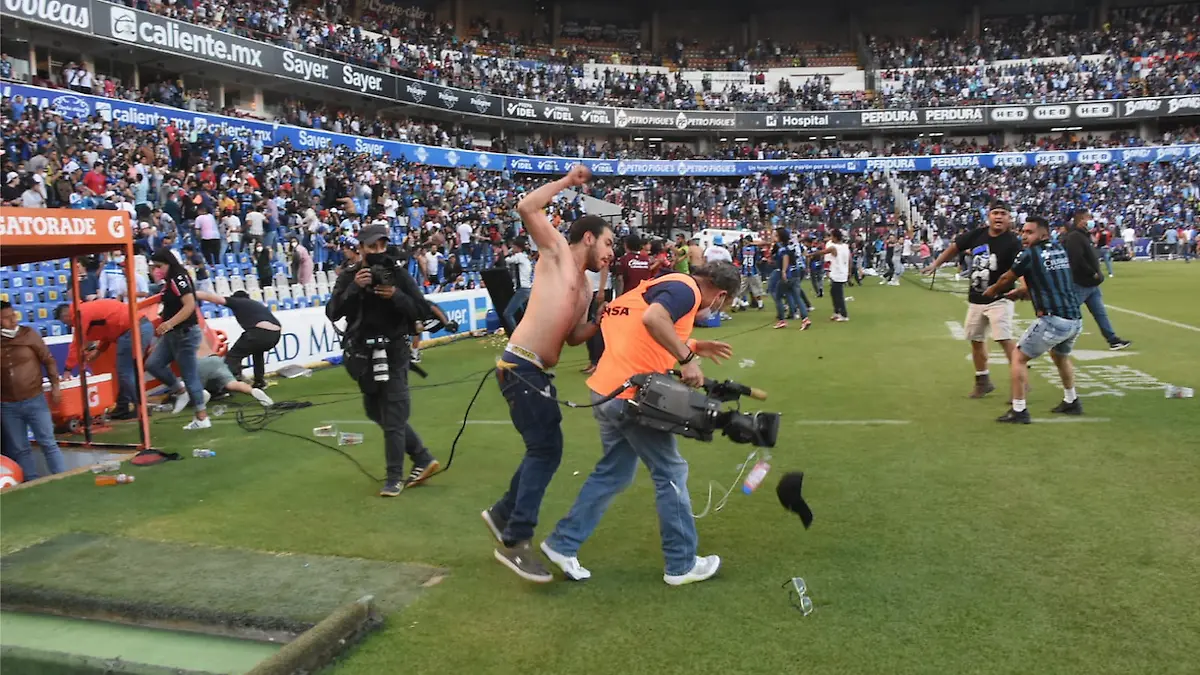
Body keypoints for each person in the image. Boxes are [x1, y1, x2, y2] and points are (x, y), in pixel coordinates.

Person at [540, 262, 740, 585]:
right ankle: (681, 564)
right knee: (671, 472)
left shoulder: (659, 285)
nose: (715, 310)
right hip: (632, 397)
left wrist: (692, 345)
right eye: (723, 302)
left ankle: (562, 544)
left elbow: (636, 328)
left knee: (614, 473)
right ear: (720, 293)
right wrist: (688, 359)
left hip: (606, 391)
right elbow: (654, 320)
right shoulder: (687, 290)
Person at [480, 166, 615, 583]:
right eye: (608, 243)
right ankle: (515, 539)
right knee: (545, 450)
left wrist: (598, 321)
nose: (611, 252)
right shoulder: (557, 251)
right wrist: (567, 182)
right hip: (521, 365)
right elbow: (526, 206)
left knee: (546, 447)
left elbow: (572, 337)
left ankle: (503, 514)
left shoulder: (586, 287)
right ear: (588, 238)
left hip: (534, 370)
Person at [326, 224, 441, 497]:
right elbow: (333, 312)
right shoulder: (351, 276)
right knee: (374, 410)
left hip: (394, 351)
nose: (378, 251)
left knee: (393, 415)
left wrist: (397, 296)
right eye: (372, 246)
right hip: (363, 354)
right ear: (361, 248)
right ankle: (422, 457)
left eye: (382, 245)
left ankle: (394, 478)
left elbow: (422, 310)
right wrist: (355, 287)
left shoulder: (398, 274)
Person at [984, 216, 1084, 424]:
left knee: (1018, 357)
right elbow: (1048, 282)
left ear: (1043, 234)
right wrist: (1022, 292)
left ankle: (1019, 410)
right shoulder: (1059, 249)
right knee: (1060, 357)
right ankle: (1071, 400)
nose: (1024, 236)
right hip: (1074, 319)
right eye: (1023, 232)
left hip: (1053, 319)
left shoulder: (1029, 254)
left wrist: (992, 291)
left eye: (1029, 232)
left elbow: (1006, 278)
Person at [923, 202, 1022, 399]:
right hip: (976, 297)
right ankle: (983, 381)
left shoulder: (1013, 241)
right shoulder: (978, 234)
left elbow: (1021, 266)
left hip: (1000, 298)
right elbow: (955, 247)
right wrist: (936, 264)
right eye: (995, 213)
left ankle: (1020, 382)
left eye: (1003, 213)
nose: (999, 217)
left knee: (1004, 339)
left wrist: (1024, 287)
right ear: (989, 216)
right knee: (975, 340)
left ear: (1009, 218)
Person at [56, 299, 155, 420]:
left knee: (125, 372)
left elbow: (77, 343)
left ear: (65, 316)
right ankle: (123, 406)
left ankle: (140, 406)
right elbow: (108, 330)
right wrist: (99, 351)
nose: (68, 325)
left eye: (65, 322)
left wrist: (68, 369)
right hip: (140, 326)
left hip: (133, 330)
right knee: (126, 371)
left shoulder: (81, 313)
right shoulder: (88, 309)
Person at [1, 300, 67, 481]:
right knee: (20, 448)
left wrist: (55, 386)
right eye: (6, 318)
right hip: (7, 404)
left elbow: (48, 360)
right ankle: (31, 481)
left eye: (13, 315)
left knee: (48, 442)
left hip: (34, 398)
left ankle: (63, 478)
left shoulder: (29, 334)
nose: (12, 320)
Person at [146, 248, 210, 430]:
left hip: (184, 332)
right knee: (153, 364)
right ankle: (181, 391)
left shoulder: (178, 278)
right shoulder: (170, 280)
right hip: (173, 333)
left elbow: (189, 305)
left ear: (168, 263)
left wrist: (169, 323)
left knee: (189, 375)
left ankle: (202, 417)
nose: (156, 270)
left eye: (159, 266)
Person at [1061, 210, 1132, 351]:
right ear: (1081, 220)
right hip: (1081, 283)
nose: (1091, 221)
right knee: (1068, 313)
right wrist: (1092, 272)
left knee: (1100, 314)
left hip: (1092, 284)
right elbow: (1076, 259)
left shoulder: (1083, 235)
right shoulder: (1075, 237)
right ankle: (1054, 338)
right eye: (1088, 218)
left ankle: (1112, 339)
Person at [195, 290, 281, 389]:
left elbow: (212, 298)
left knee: (232, 357)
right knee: (258, 353)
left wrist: (191, 293)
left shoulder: (237, 302)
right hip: (275, 335)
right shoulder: (255, 304)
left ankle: (219, 387)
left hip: (259, 332)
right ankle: (259, 381)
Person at [195, 355, 274, 408]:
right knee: (232, 384)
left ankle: (201, 394)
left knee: (192, 386)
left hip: (196, 363)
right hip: (215, 359)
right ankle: (253, 391)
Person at [809, 229, 851, 321]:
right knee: (833, 292)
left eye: (831, 236)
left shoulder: (833, 247)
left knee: (838, 294)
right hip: (841, 272)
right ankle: (837, 312)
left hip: (838, 273)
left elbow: (822, 252)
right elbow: (849, 259)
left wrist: (810, 254)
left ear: (835, 237)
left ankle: (844, 315)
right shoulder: (845, 246)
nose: (830, 238)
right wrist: (849, 271)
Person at [772, 228, 809, 330]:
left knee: (778, 296)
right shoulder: (792, 245)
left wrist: (784, 271)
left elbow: (785, 257)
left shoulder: (782, 248)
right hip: (796, 272)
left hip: (788, 274)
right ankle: (805, 319)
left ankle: (782, 320)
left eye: (775, 235)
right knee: (797, 297)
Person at [501, 237, 533, 335]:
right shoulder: (525, 257)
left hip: (522, 290)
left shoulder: (519, 256)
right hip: (527, 288)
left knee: (507, 314)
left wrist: (505, 251)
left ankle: (516, 335)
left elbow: (508, 260)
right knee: (525, 315)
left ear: (518, 247)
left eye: (514, 246)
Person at [736, 235, 764, 310]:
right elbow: (758, 259)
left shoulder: (742, 249)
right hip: (753, 271)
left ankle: (739, 304)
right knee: (756, 289)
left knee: (741, 290)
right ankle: (760, 305)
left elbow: (739, 259)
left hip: (744, 272)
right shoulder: (755, 249)